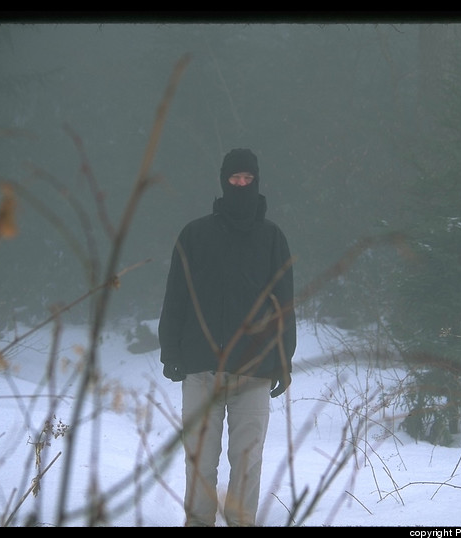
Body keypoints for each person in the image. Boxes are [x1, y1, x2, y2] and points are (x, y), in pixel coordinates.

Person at [158, 148, 296, 527]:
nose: (241, 185)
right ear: (223, 181)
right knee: (200, 461)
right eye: (235, 179)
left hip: (254, 372)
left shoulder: (272, 239)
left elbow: (285, 304)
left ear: (257, 182)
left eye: (247, 179)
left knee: (248, 462)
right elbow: (176, 297)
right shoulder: (195, 234)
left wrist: (284, 359)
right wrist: (171, 350)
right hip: (201, 372)